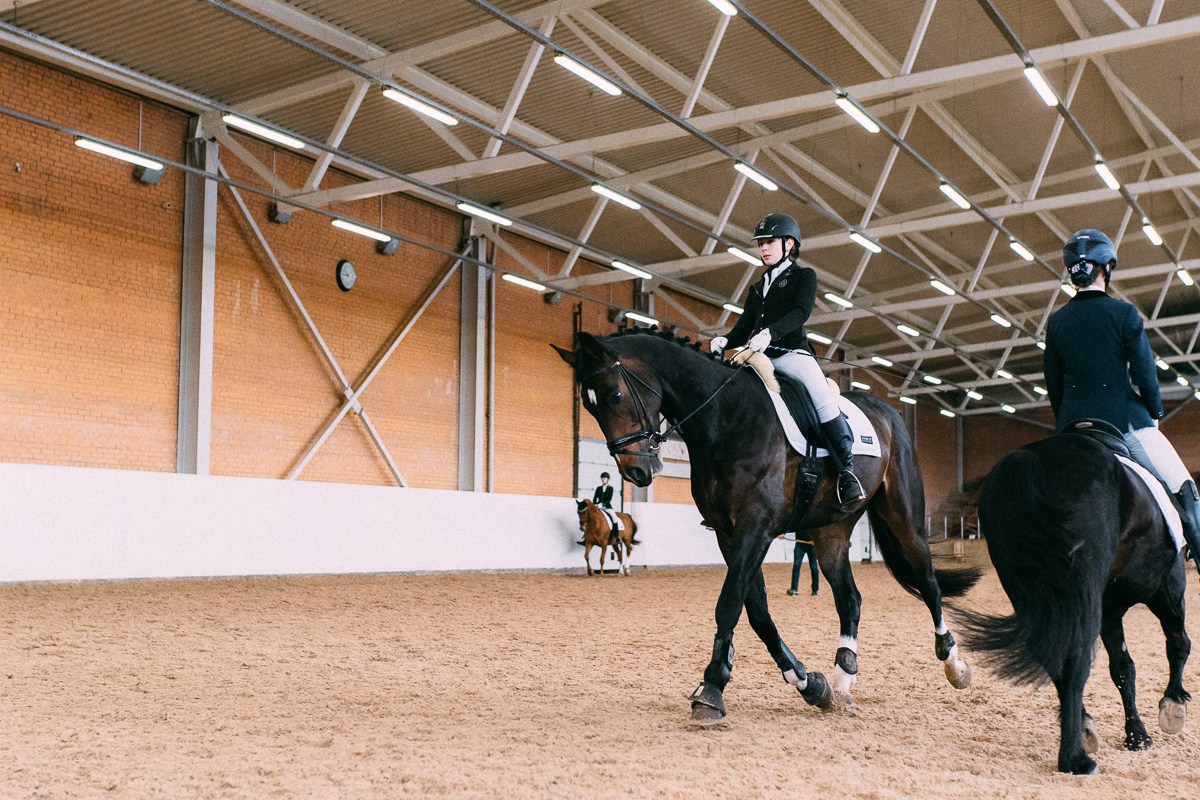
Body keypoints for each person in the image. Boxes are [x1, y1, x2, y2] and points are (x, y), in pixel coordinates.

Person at [1044, 228, 1200, 570]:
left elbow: (1053, 385)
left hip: (1072, 427)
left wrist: (1069, 423)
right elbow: (1146, 374)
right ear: (1107, 267)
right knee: (1185, 487)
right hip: (1123, 419)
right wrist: (1154, 413)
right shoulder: (1124, 314)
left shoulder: (1056, 323)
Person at [710, 213, 865, 504]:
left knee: (822, 398)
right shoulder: (758, 286)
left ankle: (847, 473)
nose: (763, 248)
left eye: (769, 242)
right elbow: (744, 327)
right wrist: (725, 340)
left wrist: (770, 333)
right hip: (756, 356)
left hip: (791, 354)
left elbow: (800, 312)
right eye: (760, 244)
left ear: (789, 244)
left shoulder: (803, 276)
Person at [578, 472, 615, 545]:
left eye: (605, 478)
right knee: (589, 519)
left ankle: (616, 537)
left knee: (614, 518)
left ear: (608, 479)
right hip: (598, 508)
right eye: (602, 478)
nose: (603, 479)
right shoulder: (598, 488)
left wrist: (603, 504)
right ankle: (585, 539)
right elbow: (595, 498)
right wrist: (595, 505)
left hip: (607, 507)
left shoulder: (610, 488)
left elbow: (609, 499)